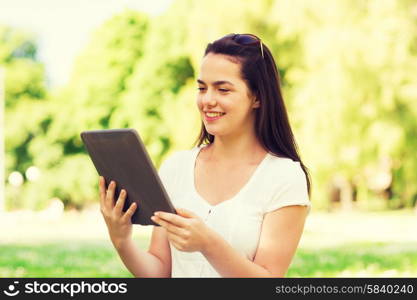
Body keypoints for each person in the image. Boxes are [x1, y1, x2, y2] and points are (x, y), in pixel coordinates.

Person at [98, 33, 312, 277]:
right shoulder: (176, 167)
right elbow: (160, 272)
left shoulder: (283, 176)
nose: (208, 100)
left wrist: (208, 244)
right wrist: (121, 240)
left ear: (257, 97)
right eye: (202, 88)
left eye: (223, 89)